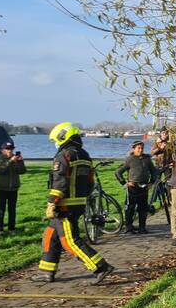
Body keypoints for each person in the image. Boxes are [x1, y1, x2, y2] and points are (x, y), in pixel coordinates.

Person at [34, 122, 115, 284]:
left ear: (63, 136)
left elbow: (60, 181)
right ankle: (46, 271)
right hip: (78, 203)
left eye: (56, 139)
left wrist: (52, 203)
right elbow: (90, 181)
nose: (56, 143)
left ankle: (101, 267)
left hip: (64, 205)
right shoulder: (84, 154)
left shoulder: (63, 155)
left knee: (70, 241)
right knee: (50, 236)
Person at [115, 141, 158, 234]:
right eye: (138, 148)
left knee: (143, 208)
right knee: (130, 208)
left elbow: (154, 171)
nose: (140, 150)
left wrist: (151, 182)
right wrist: (125, 183)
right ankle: (129, 228)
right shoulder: (129, 160)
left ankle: (142, 227)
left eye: (142, 148)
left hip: (144, 187)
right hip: (132, 187)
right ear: (133, 149)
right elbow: (118, 172)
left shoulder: (147, 159)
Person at [0, 141, 26, 235]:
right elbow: (0, 170)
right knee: (1, 209)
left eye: (11, 149)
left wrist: (20, 162)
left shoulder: (16, 159)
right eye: (8, 149)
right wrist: (11, 161)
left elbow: (22, 171)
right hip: (2, 188)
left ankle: (12, 229)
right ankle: (0, 229)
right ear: (2, 150)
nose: (10, 151)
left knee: (12, 209)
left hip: (14, 188)